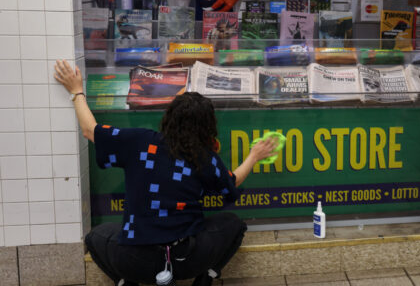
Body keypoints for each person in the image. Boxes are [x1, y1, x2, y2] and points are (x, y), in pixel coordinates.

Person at [53, 60, 277, 286]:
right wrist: (254, 155)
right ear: (208, 127)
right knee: (233, 225)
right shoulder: (204, 158)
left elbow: (90, 130)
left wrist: (76, 91)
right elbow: (231, 182)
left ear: (168, 117)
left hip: (135, 259)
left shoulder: (140, 142)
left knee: (94, 238)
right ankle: (206, 277)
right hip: (188, 257)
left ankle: (126, 281)